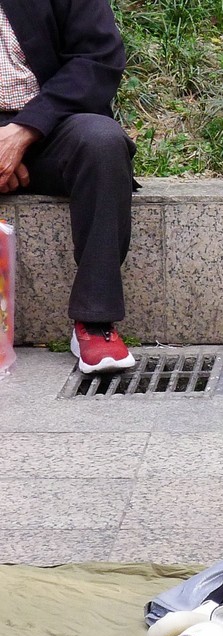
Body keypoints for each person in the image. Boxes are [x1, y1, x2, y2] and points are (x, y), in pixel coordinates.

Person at [0, 0, 137, 373]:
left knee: (102, 143)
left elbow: (97, 59)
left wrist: (22, 133)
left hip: (52, 126)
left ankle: (95, 322)